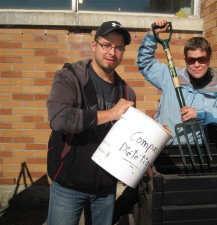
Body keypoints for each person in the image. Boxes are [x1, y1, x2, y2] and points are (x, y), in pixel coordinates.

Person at [46, 21, 136, 225]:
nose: (112, 52)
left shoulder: (127, 92)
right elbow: (59, 118)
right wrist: (111, 114)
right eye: (106, 45)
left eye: (119, 47)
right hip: (69, 184)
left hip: (105, 189)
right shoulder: (71, 77)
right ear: (94, 45)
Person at [137, 19, 217, 145]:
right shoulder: (171, 77)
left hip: (193, 155)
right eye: (191, 60)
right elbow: (145, 63)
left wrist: (201, 114)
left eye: (202, 59)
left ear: (209, 59)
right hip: (162, 149)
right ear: (185, 60)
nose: (197, 65)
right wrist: (152, 36)